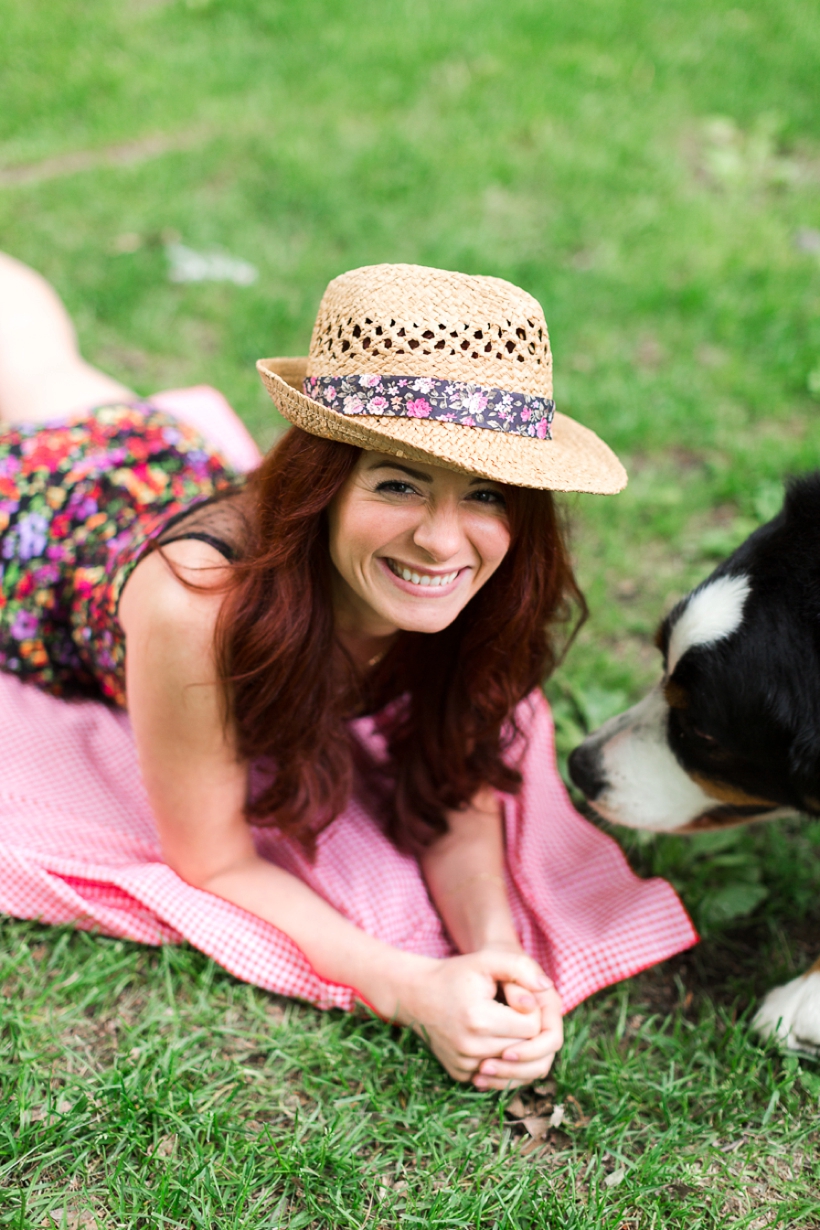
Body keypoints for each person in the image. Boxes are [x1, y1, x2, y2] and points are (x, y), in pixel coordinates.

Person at [0, 254, 627, 1090]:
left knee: (60, 376)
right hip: (43, 528)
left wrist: (494, 948)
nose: (444, 543)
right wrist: (408, 986)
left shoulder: (493, 579)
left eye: (485, 493)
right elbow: (214, 862)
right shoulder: (197, 604)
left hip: (156, 461)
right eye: (400, 483)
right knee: (43, 385)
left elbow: (455, 782)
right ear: (323, 485)